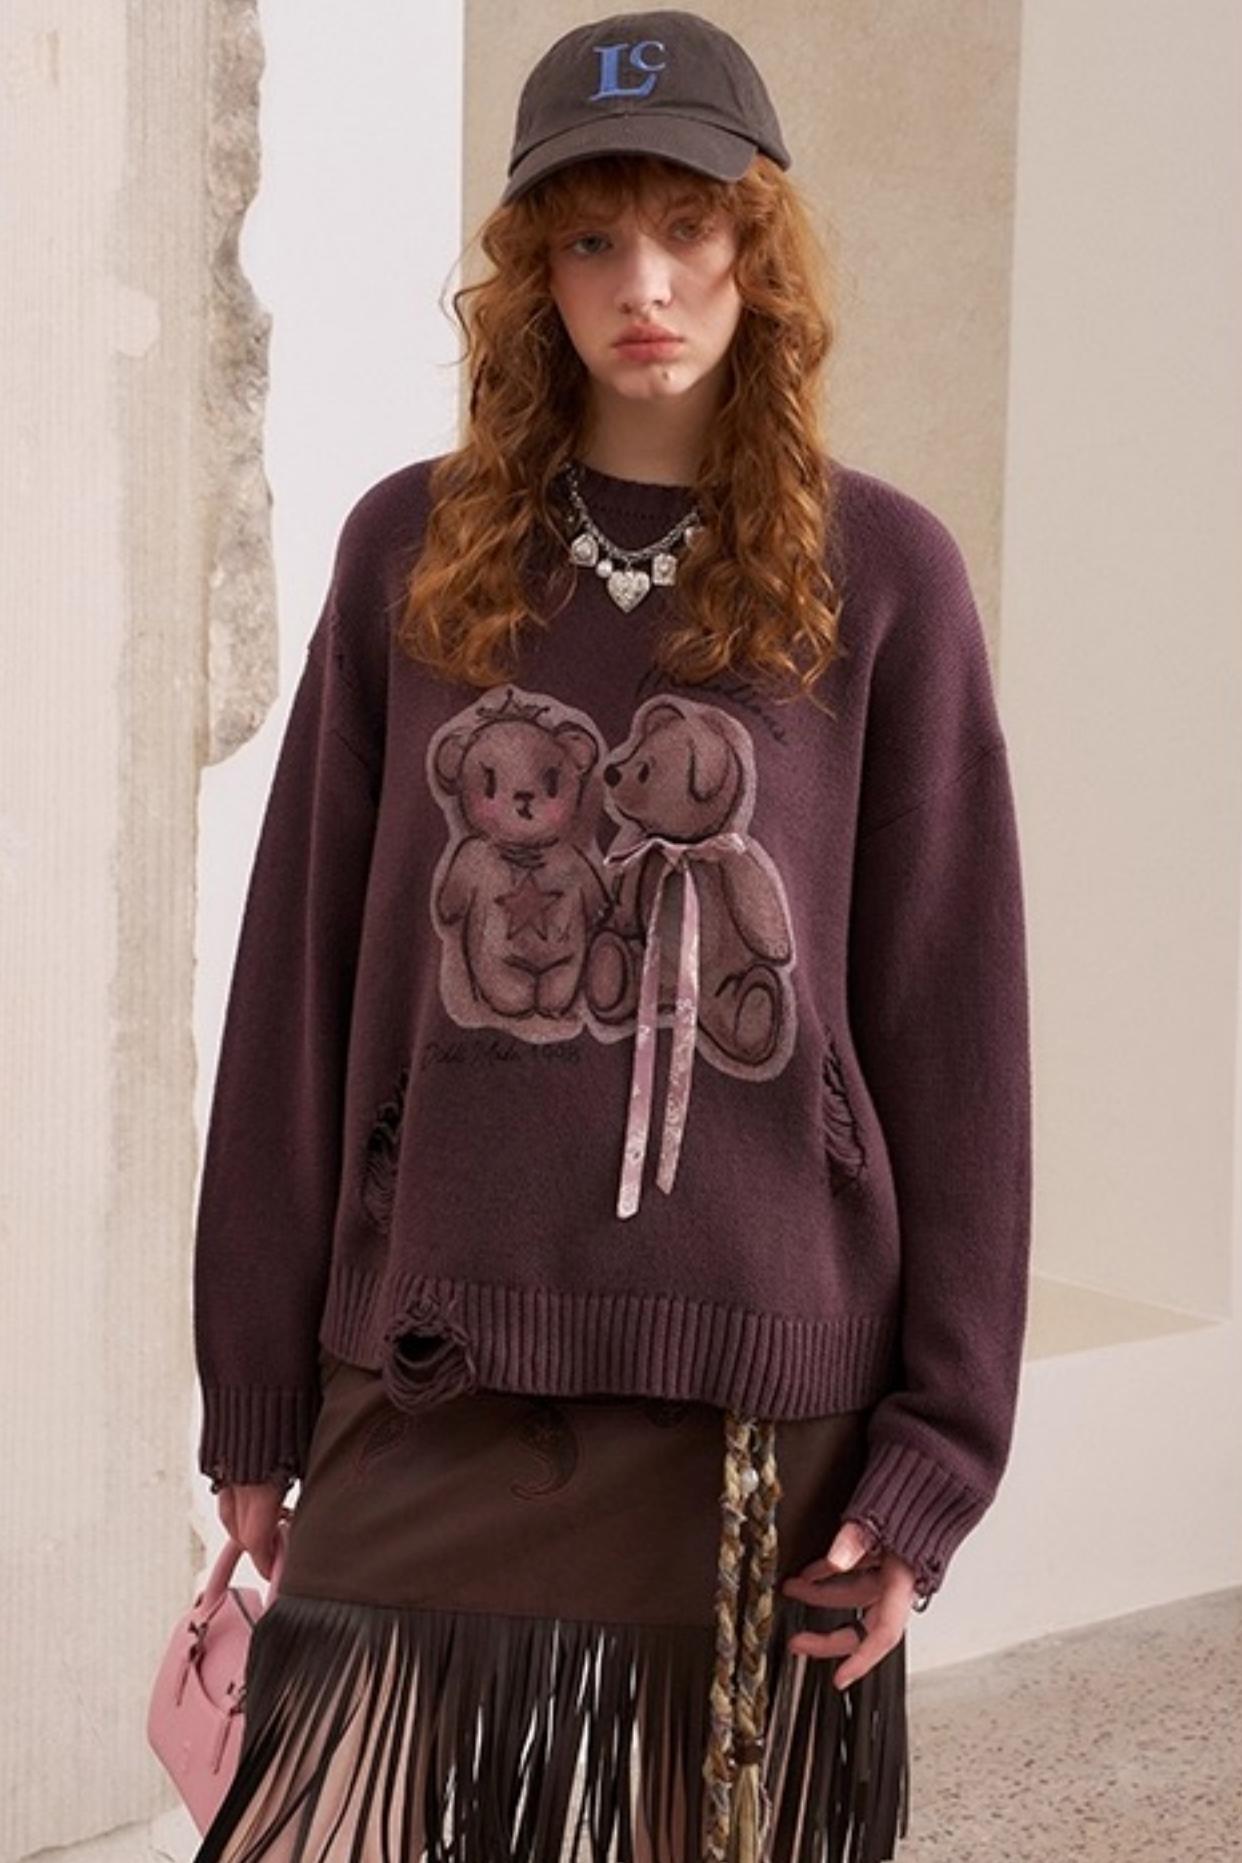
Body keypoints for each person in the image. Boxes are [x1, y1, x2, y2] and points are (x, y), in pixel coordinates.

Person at [190, 10, 1032, 1861]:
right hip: (435, 1360)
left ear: (759, 246)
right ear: (531, 272)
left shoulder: (882, 575)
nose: (642, 285)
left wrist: (937, 1455)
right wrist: (252, 1389)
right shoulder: (408, 553)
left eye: (687, 226)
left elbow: (954, 1035)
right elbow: (296, 991)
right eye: (589, 237)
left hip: (756, 1390)